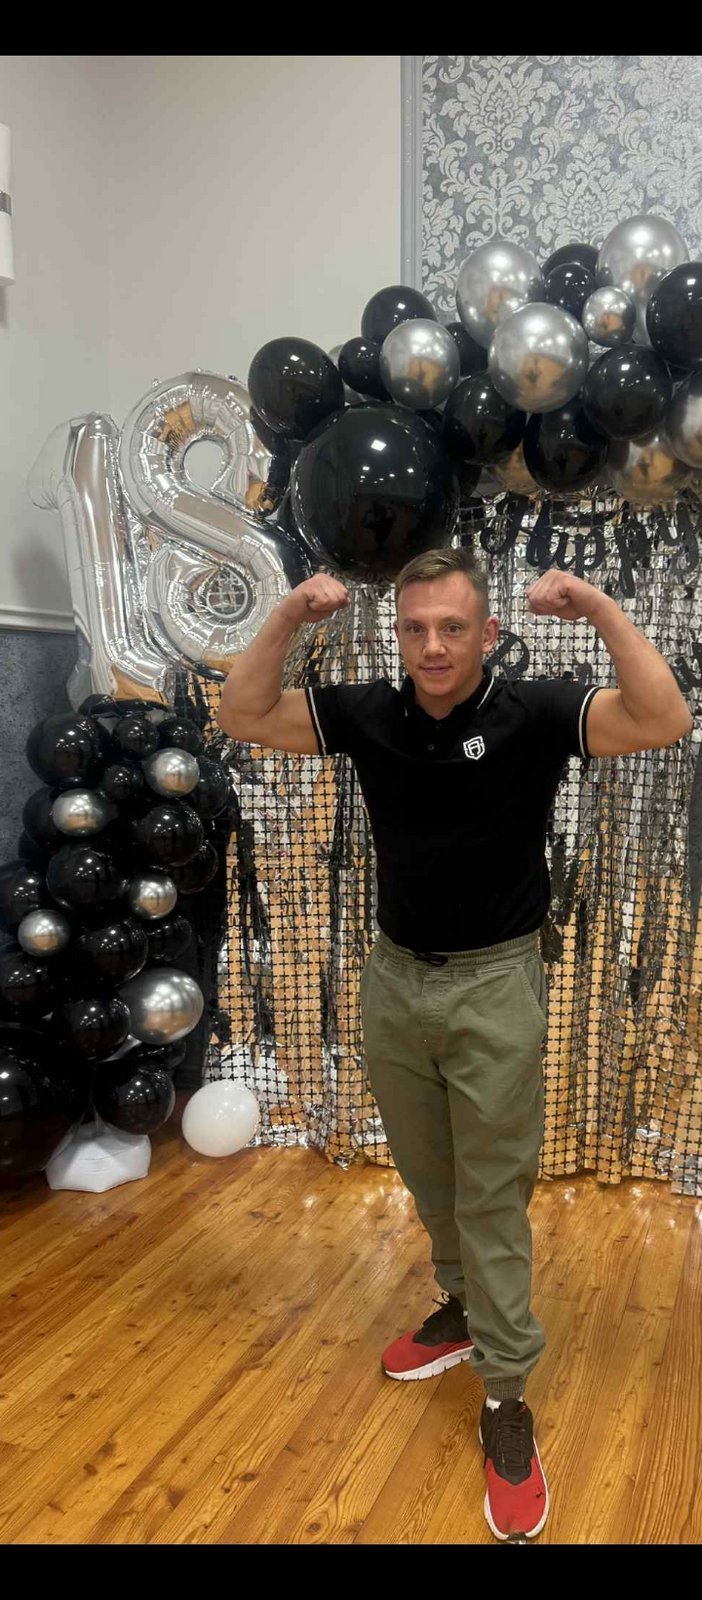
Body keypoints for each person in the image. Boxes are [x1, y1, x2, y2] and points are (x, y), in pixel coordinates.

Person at [216, 546, 692, 1542]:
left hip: (495, 987)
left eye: (451, 627)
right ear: (398, 635)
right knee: (430, 1174)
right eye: (415, 628)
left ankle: (505, 1392)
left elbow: (664, 717)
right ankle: (465, 1308)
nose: (432, 645)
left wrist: (598, 604)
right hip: (394, 980)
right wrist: (289, 615)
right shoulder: (369, 714)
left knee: (490, 1193)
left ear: (487, 633)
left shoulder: (534, 712)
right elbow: (242, 713)